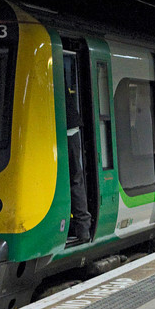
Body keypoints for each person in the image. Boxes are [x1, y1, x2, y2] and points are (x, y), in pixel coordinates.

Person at [65, 66, 91, 243]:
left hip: (65, 128)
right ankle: (82, 229)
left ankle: (82, 228)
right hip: (70, 127)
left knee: (74, 179)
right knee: (75, 179)